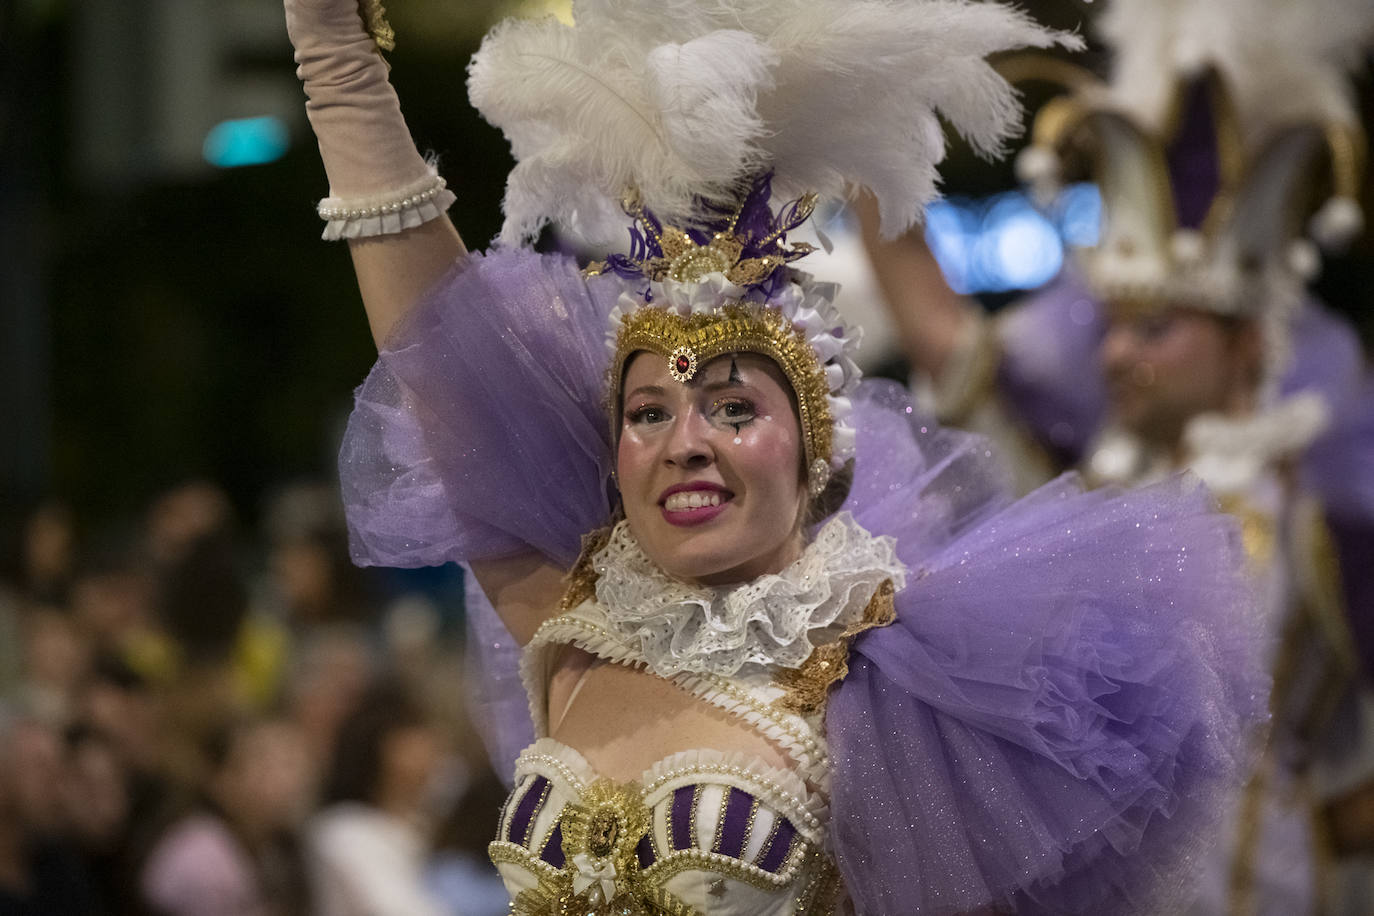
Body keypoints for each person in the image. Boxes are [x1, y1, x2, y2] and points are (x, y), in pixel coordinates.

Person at [283, 0, 1268, 912]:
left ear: (817, 446)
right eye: (649, 412)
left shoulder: (889, 677)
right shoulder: (573, 619)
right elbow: (440, 344)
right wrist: (335, 60)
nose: (686, 446)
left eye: (732, 406)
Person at [856, 2, 1374, 912]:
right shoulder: (1082, 490)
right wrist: (865, 128)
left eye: (1156, 328)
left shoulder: (1330, 518)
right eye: (1112, 327)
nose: (1118, 355)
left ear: (1246, 342)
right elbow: (942, 336)